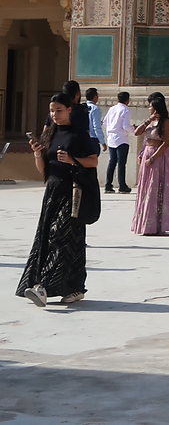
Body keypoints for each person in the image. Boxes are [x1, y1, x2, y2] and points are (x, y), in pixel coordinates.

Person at [17, 91, 99, 306]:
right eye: (52, 111)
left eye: (59, 110)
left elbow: (93, 161)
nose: (54, 114)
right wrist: (37, 154)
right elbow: (44, 169)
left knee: (59, 235)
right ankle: (74, 287)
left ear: (69, 109)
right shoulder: (50, 134)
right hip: (53, 191)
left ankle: (43, 287)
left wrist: (73, 160)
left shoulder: (79, 133)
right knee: (60, 238)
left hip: (72, 192)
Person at [131, 92, 169, 235]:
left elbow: (165, 143)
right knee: (145, 188)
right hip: (147, 153)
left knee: (156, 188)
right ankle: (145, 223)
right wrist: (148, 120)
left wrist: (153, 158)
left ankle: (158, 225)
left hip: (158, 157)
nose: (149, 108)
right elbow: (138, 133)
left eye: (151, 106)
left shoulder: (166, 122)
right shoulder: (150, 121)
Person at [104, 91, 135, 194]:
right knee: (121, 163)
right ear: (127, 100)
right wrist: (133, 129)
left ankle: (108, 185)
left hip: (111, 138)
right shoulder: (125, 110)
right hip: (121, 138)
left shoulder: (112, 109)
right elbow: (125, 126)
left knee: (112, 162)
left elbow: (105, 122)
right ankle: (122, 185)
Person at [85, 88, 106, 152]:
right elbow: (96, 127)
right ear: (95, 96)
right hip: (92, 140)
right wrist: (102, 142)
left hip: (83, 138)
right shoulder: (95, 109)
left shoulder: (82, 107)